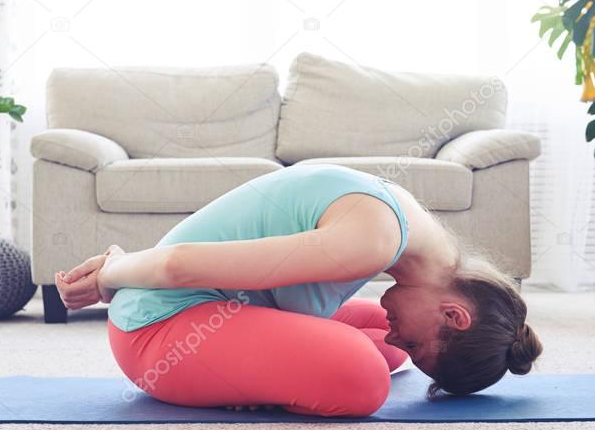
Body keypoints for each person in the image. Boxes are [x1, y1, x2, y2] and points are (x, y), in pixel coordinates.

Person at [54, 163, 542, 417]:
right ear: (455, 315)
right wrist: (109, 275)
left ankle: (259, 368)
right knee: (365, 379)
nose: (401, 341)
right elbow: (180, 266)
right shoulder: (370, 241)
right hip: (159, 331)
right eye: (415, 343)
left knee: (374, 338)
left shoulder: (408, 221)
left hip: (222, 305)